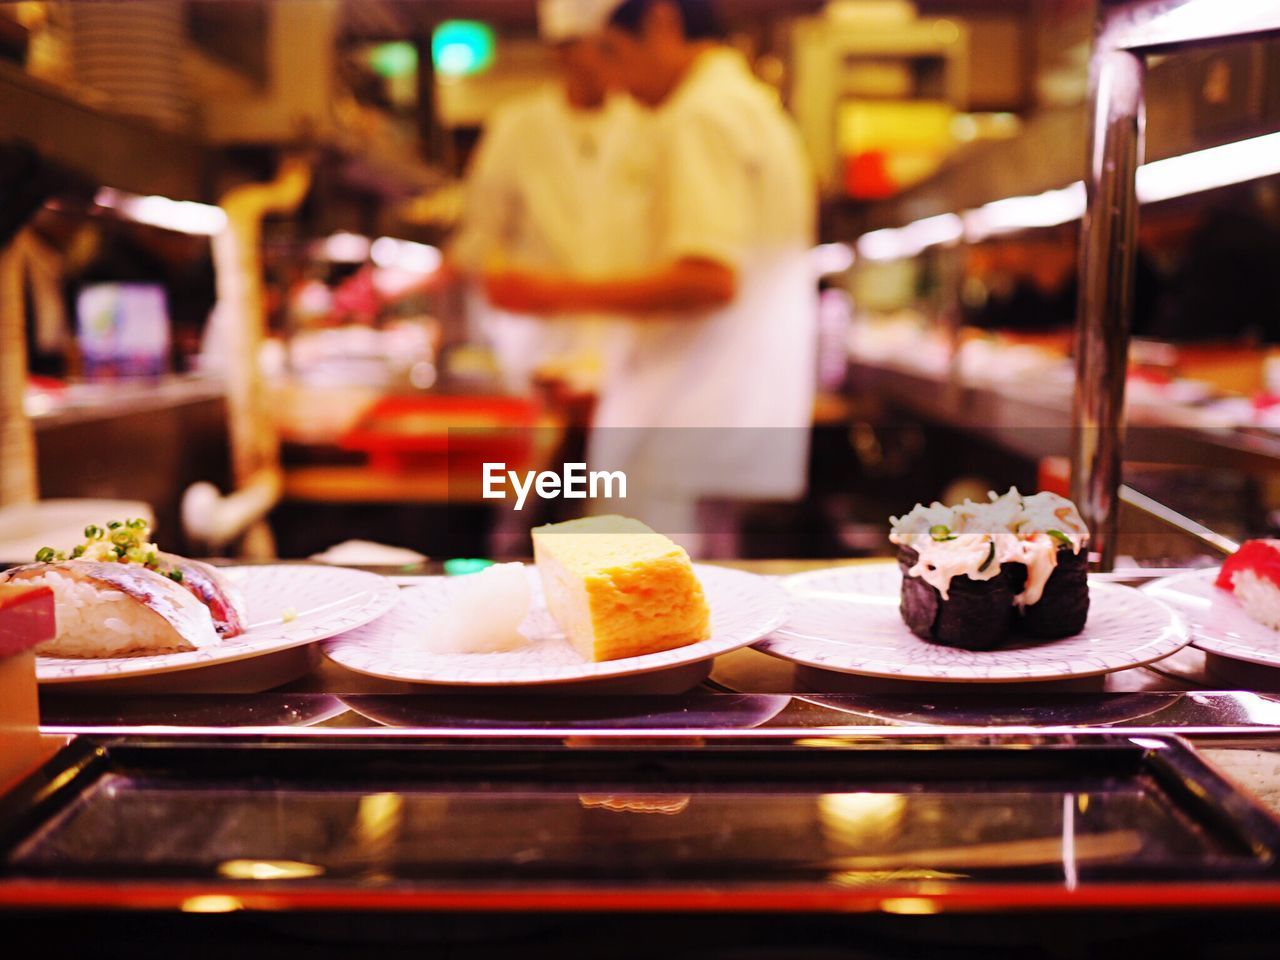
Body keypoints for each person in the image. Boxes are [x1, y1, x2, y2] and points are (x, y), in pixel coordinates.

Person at [484, 0, 818, 554]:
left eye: (612, 53)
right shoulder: (742, 104)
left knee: (651, 618)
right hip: (706, 415)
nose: (611, 81)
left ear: (662, 21)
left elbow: (709, 279)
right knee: (700, 606)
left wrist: (549, 293)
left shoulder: (701, 114)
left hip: (681, 422)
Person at [449, 0, 654, 394]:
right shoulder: (516, 128)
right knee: (550, 455)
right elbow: (480, 239)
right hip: (538, 351)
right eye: (599, 47)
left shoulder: (646, 123)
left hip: (628, 348)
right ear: (562, 52)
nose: (612, 57)